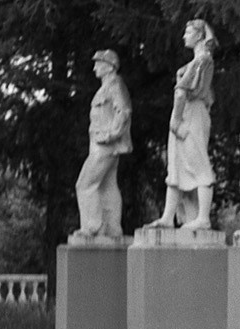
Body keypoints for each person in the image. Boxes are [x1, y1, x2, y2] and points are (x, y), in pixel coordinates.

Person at [149, 18, 216, 230]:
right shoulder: (200, 60)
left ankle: (203, 218)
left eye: (188, 32)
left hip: (189, 113)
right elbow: (209, 97)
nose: (184, 36)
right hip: (192, 112)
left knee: (199, 166)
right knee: (176, 167)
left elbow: (181, 91)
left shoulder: (202, 60)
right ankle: (168, 217)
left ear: (199, 35)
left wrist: (176, 119)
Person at [74, 49, 133, 239]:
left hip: (105, 144)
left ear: (109, 66)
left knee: (85, 184)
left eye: (98, 64)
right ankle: (112, 228)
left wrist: (111, 135)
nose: (94, 68)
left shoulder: (114, 84)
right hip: (101, 143)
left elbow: (124, 111)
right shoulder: (107, 86)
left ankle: (92, 227)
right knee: (108, 186)